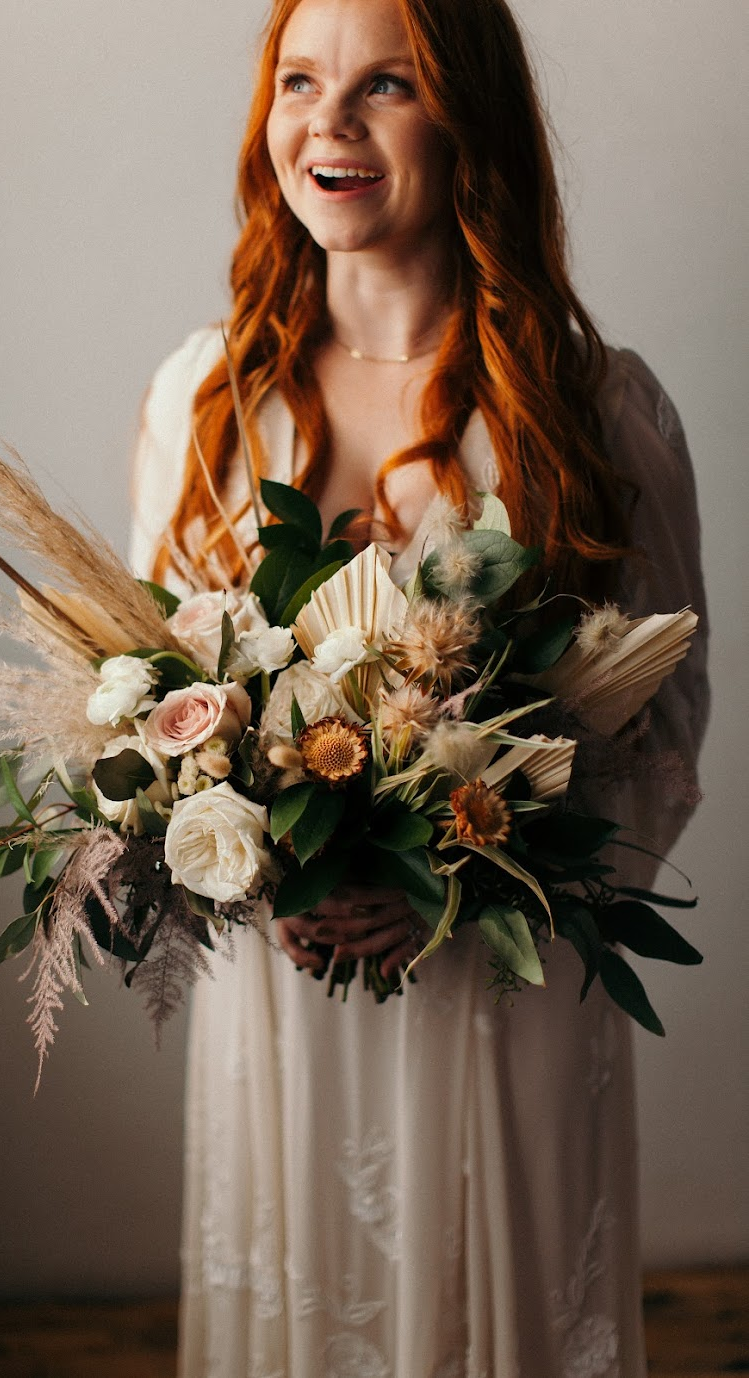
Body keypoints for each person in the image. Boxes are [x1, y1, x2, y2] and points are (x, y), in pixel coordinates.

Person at [130, 0, 709, 1372]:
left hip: (499, 1004)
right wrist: (249, 862)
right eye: (299, 81)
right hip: (282, 997)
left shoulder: (588, 406)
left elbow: (660, 729)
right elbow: (147, 696)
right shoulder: (207, 397)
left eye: (384, 84)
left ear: (468, 119)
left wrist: (456, 871)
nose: (327, 121)